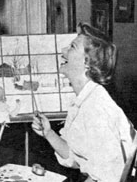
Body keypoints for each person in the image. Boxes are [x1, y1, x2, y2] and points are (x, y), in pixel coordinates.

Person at [32, 23, 136, 182]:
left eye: (72, 47)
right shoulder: (85, 99)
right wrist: (49, 133)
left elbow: (110, 177)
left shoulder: (95, 109)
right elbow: (78, 159)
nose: (63, 51)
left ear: (87, 63)